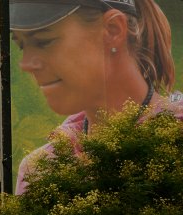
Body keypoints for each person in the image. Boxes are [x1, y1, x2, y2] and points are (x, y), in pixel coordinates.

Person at [10, 0, 183, 195]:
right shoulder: (37, 169)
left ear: (112, 30)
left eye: (43, 41)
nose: (26, 64)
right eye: (22, 46)